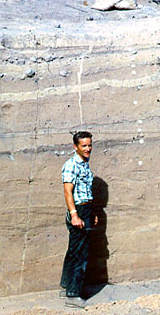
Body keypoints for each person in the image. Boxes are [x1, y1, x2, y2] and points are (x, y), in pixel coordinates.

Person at [59, 131, 98, 308]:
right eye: (84, 145)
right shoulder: (71, 165)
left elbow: (86, 190)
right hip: (79, 210)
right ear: (75, 147)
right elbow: (68, 192)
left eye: (89, 145)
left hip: (86, 209)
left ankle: (66, 287)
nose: (88, 148)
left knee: (74, 250)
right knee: (80, 254)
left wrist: (93, 212)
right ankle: (73, 296)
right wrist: (75, 215)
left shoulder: (85, 163)